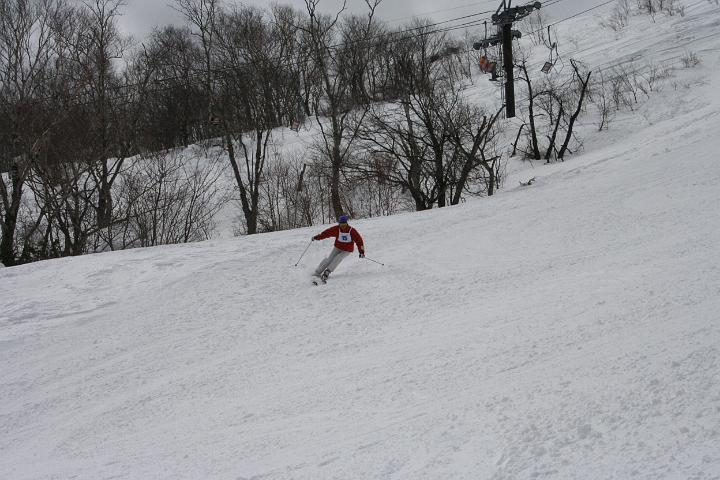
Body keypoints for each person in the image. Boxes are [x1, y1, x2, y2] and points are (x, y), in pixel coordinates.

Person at [311, 215, 365, 283]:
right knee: (329, 259)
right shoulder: (336, 229)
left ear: (346, 223)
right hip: (337, 247)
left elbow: (359, 241)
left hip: (347, 250)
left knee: (338, 258)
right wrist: (317, 237)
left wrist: (361, 252)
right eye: (341, 224)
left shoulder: (352, 231)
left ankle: (327, 272)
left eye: (344, 224)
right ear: (339, 224)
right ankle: (317, 272)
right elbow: (326, 233)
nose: (343, 226)